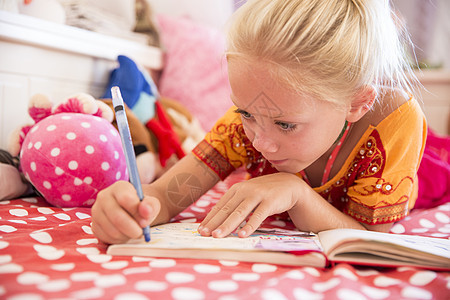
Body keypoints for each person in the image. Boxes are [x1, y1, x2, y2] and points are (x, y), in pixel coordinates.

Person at [91, 0, 427, 244]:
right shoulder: (258, 112)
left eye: (285, 125)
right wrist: (132, 207)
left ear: (357, 102)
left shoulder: (395, 120)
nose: (259, 142)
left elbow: (371, 239)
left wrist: (297, 192)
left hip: (416, 174)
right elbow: (167, 194)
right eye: (246, 113)